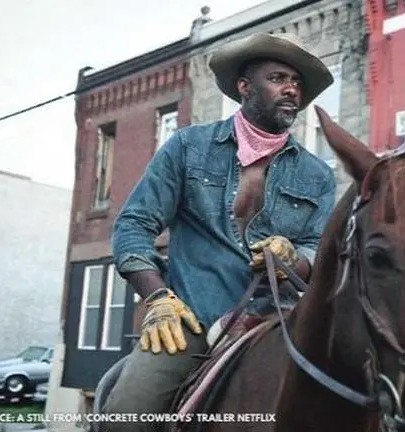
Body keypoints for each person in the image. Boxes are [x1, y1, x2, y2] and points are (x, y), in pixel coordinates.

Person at [102, 32, 337, 428]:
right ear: (245, 87)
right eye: (279, 78)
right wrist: (157, 298)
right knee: (126, 416)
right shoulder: (188, 147)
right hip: (190, 321)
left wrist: (293, 258)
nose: (292, 90)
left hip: (276, 325)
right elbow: (134, 225)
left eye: (297, 83)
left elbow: (317, 250)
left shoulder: (317, 176)